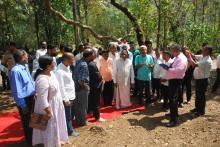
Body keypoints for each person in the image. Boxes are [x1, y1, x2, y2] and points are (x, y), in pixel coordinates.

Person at [33, 55, 68, 147]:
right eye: (53, 62)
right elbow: (42, 98)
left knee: (54, 127)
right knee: (48, 129)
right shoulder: (42, 79)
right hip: (47, 108)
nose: (54, 64)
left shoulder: (51, 74)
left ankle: (55, 142)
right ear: (48, 66)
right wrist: (48, 112)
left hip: (55, 104)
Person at [9, 50, 35, 145]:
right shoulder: (15, 71)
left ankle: (36, 139)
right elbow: (16, 90)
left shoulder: (25, 67)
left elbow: (31, 82)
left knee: (35, 120)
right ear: (21, 58)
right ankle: (31, 142)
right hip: (25, 100)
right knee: (28, 122)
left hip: (32, 97)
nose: (28, 57)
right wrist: (22, 105)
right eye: (26, 56)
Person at [162, 44, 188, 127]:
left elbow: (179, 70)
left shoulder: (182, 58)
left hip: (176, 81)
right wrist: (168, 66)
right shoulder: (177, 57)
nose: (171, 52)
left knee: (173, 99)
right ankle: (173, 113)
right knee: (172, 98)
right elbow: (174, 66)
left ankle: (174, 120)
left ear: (176, 50)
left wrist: (168, 68)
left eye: (172, 50)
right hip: (172, 80)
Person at [55, 53, 79, 137]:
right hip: (66, 98)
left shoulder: (67, 67)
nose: (74, 60)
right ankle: (69, 131)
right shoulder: (59, 71)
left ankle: (70, 128)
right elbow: (61, 87)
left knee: (70, 115)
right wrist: (65, 99)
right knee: (67, 116)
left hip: (71, 95)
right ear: (66, 60)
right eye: (72, 59)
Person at [186, 46, 213, 117]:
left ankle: (201, 111)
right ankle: (197, 108)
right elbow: (194, 56)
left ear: (207, 51)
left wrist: (189, 56)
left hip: (203, 81)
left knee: (201, 96)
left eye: (203, 50)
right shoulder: (203, 56)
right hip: (199, 80)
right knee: (198, 95)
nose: (202, 50)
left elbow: (194, 65)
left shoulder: (207, 61)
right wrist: (189, 52)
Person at [73, 49, 93, 126]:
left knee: (78, 105)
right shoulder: (84, 65)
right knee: (83, 106)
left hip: (76, 88)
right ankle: (83, 122)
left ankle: (78, 121)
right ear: (89, 56)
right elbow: (81, 80)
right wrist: (86, 87)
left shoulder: (78, 62)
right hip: (81, 88)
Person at [87, 49, 105, 121]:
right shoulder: (92, 64)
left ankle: (95, 113)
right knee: (96, 102)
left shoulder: (88, 62)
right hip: (96, 86)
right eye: (94, 53)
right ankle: (97, 117)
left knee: (93, 101)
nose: (95, 54)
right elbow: (97, 76)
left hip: (92, 85)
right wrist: (102, 78)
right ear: (90, 55)